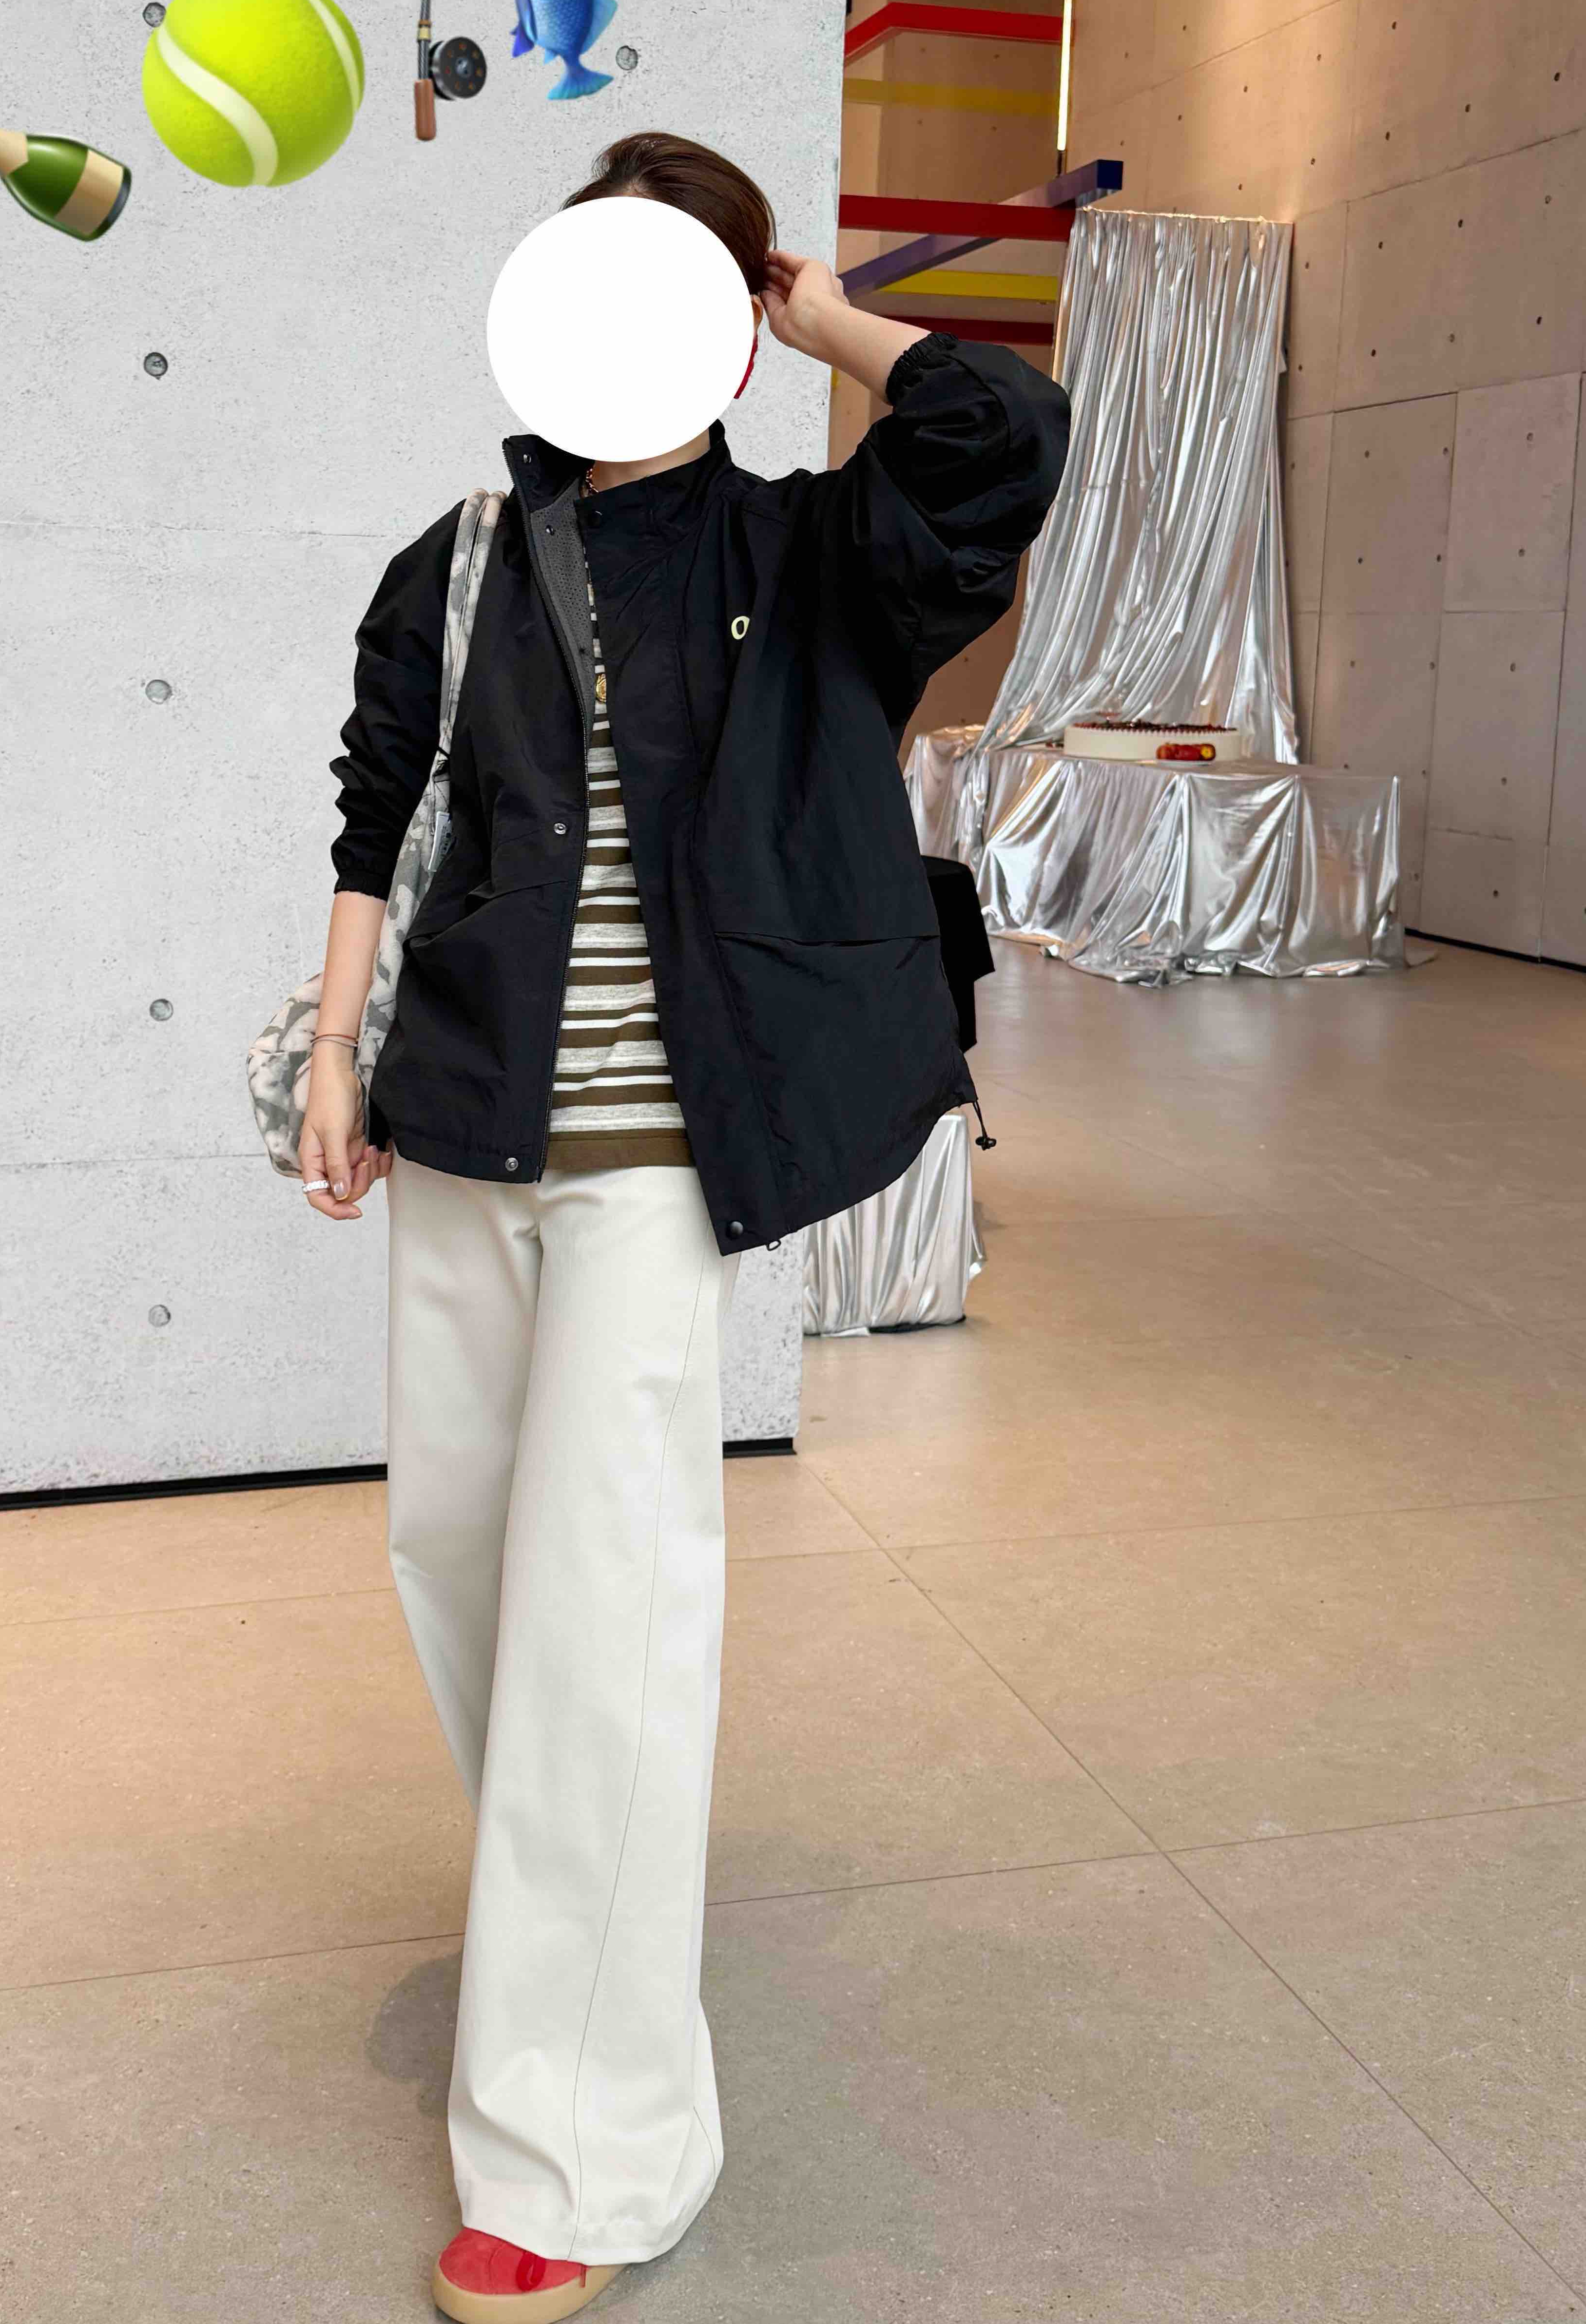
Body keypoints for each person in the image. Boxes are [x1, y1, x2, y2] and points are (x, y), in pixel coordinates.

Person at [308, 132, 1069, 2322]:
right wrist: (339, 1048)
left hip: (662, 1158)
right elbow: (380, 805)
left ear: (723, 328)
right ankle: (575, 1939)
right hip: (466, 1117)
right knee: (465, 1570)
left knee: (603, 1617)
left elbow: (1003, 434)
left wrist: (809, 310)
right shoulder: (458, 562)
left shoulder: (820, 553)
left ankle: (582, 2153)